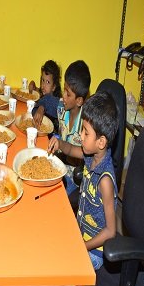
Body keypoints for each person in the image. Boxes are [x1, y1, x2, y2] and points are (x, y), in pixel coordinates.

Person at [48, 91, 119, 270]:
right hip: (80, 234)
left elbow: (110, 231)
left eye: (85, 133)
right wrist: (60, 144)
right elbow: (72, 150)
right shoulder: (92, 156)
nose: (80, 135)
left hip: (94, 251)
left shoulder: (105, 181)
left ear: (101, 142)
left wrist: (82, 247)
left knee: (61, 268)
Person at [57, 60, 91, 195]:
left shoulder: (86, 126)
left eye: (68, 93)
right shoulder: (62, 108)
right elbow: (48, 101)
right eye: (64, 89)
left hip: (74, 179)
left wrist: (61, 145)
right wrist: (41, 108)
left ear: (79, 101)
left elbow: (85, 154)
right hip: (60, 168)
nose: (63, 96)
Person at [30, 60, 62, 132]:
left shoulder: (57, 102)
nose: (43, 85)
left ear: (54, 87)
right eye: (42, 80)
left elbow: (48, 100)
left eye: (48, 82)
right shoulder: (43, 93)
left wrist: (41, 107)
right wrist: (34, 86)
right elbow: (42, 97)